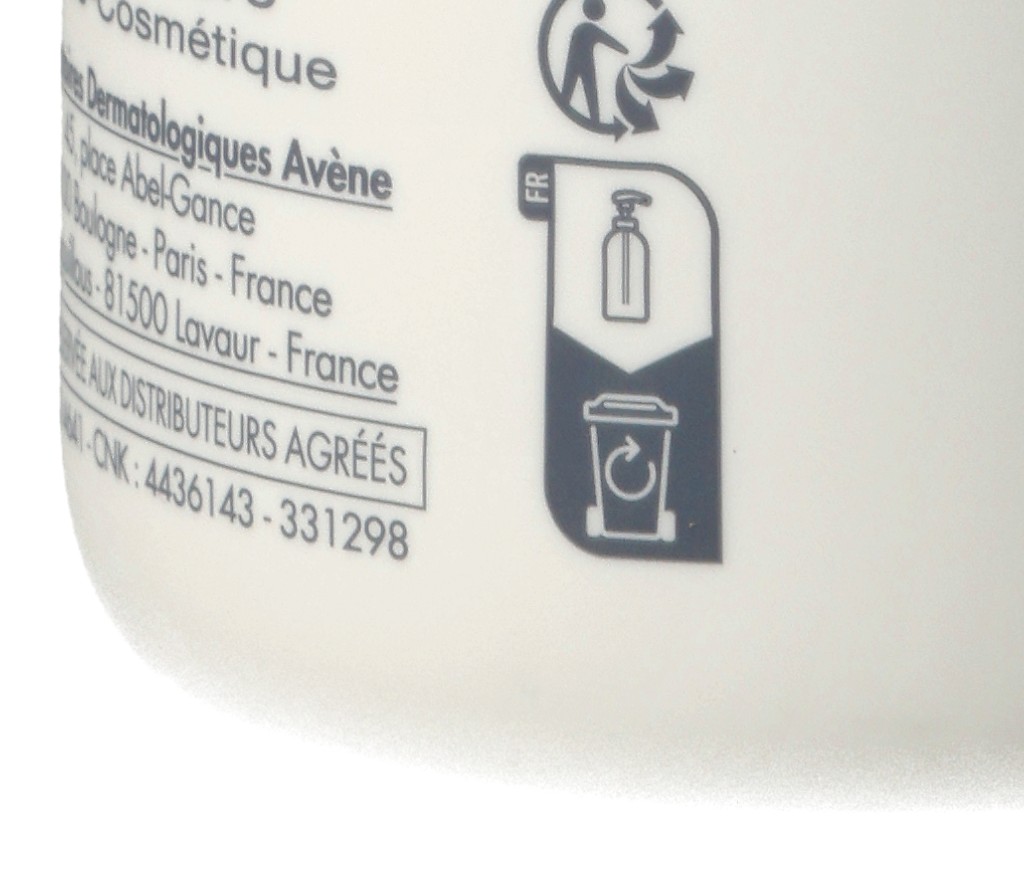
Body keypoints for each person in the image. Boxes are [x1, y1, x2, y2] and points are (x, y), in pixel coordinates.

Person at [561, 0, 628, 123]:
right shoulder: (588, 29)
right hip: (585, 65)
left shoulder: (581, 28)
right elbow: (608, 40)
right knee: (590, 91)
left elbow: (607, 39)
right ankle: (594, 120)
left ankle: (593, 120)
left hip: (573, 64)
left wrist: (623, 49)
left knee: (567, 94)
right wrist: (624, 50)